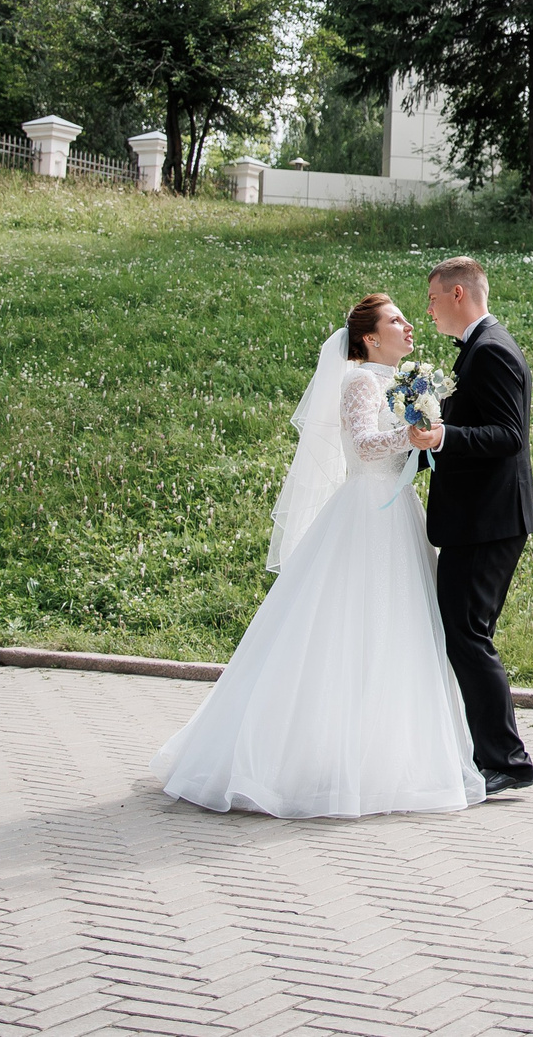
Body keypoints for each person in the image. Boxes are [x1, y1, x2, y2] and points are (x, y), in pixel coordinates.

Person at [149, 293, 485, 818]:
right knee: (348, 627)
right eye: (396, 320)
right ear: (370, 338)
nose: (409, 325)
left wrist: (419, 432)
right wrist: (415, 434)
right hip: (366, 512)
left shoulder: (400, 379)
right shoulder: (358, 382)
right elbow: (366, 445)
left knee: (400, 628)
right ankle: (316, 760)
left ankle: (388, 754)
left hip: (397, 514)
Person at [408, 255, 533, 794]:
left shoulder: (492, 350)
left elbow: (509, 435)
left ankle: (507, 761)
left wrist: (443, 438)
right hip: (478, 519)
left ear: (458, 295)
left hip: (488, 522)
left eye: (433, 299)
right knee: (465, 634)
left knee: (468, 635)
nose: (430, 310)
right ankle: (488, 752)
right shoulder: (480, 350)